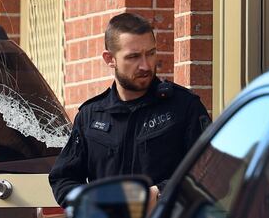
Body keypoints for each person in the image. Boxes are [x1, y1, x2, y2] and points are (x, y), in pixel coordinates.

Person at [49, 12, 211, 208]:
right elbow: (62, 178)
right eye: (133, 57)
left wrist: (161, 193)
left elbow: (212, 173)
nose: (145, 65)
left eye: (150, 53)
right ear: (110, 59)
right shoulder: (91, 116)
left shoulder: (184, 107)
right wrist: (92, 203)